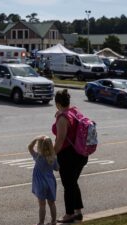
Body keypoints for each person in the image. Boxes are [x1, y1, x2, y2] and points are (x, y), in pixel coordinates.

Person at [52, 89, 89, 223]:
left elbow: (60, 140)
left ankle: (69, 214)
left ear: (57, 103)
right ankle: (78, 212)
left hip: (68, 156)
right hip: (81, 154)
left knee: (68, 185)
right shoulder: (74, 111)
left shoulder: (63, 118)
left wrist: (51, 155)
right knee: (73, 183)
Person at [28, 135, 59, 225]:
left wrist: (36, 138)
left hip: (40, 183)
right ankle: (53, 221)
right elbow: (57, 168)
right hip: (50, 182)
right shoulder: (53, 157)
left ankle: (41, 222)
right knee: (52, 203)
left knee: (42, 205)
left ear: (39, 146)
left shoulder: (38, 157)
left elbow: (29, 147)